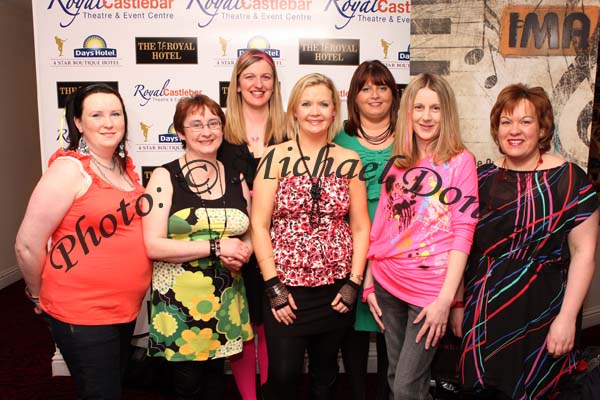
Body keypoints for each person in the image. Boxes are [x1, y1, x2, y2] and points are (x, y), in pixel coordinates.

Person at [459, 83, 599, 399]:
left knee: (538, 390)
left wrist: (566, 319)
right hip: (483, 307)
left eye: (526, 121)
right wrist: (457, 304)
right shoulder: (481, 178)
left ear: (542, 127)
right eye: (506, 122)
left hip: (543, 309)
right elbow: (464, 246)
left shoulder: (571, 180)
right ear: (496, 129)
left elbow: (584, 253)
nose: (515, 130)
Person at [15, 83, 152, 399]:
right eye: (97, 114)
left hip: (124, 311)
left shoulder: (125, 170)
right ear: (78, 123)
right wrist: (38, 295)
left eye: (115, 114)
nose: (108, 122)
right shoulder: (69, 170)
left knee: (109, 387)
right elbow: (26, 244)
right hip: (82, 312)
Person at [251, 73, 371, 400]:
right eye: (306, 104)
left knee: (325, 375)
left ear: (335, 112)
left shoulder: (349, 161)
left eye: (323, 103)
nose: (314, 111)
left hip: (335, 291)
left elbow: (360, 226)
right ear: (294, 111)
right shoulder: (274, 158)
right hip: (285, 291)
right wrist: (272, 285)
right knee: (284, 375)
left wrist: (354, 283)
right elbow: (259, 225)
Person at [365, 73, 478, 400]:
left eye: (436, 109)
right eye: (419, 107)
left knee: (405, 389)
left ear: (447, 114)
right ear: (408, 112)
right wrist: (370, 282)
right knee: (397, 377)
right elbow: (382, 227)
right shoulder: (398, 161)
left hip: (429, 294)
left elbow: (463, 232)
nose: (426, 117)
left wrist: (447, 301)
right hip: (387, 283)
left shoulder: (460, 162)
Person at [143, 94, 253, 400]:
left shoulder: (235, 177)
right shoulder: (165, 177)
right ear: (180, 132)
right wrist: (217, 248)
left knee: (217, 385)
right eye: (196, 124)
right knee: (187, 387)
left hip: (225, 302)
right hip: (181, 306)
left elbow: (248, 229)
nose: (207, 131)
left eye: (213, 123)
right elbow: (152, 245)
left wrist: (243, 252)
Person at [219, 48, 286, 399]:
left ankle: (269, 392)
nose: (258, 84)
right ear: (238, 84)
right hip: (238, 245)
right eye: (250, 77)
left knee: (274, 324)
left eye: (265, 77)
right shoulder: (220, 132)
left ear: (274, 85)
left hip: (283, 245)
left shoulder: (290, 129)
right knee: (243, 325)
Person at [333, 60, 399, 400]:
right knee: (353, 331)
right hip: (352, 244)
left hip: (398, 245)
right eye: (365, 87)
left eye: (382, 86)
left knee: (393, 328)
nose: (374, 94)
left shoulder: (409, 133)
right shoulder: (339, 138)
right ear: (354, 96)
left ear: (394, 93)